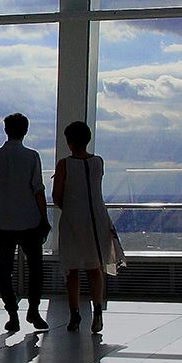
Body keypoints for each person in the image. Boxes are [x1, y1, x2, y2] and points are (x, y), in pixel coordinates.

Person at [0, 112, 49, 335]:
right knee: (36, 268)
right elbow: (38, 189)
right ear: (25, 131)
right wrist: (44, 218)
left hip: (4, 222)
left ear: (6, 130)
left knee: (5, 270)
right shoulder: (32, 157)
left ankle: (12, 315)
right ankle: (33, 309)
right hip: (30, 221)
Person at [51, 121, 113, 336]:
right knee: (94, 268)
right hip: (96, 219)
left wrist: (67, 205)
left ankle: (74, 314)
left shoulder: (64, 164)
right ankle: (97, 310)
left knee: (72, 269)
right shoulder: (98, 162)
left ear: (69, 142)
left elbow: (57, 195)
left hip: (72, 219)